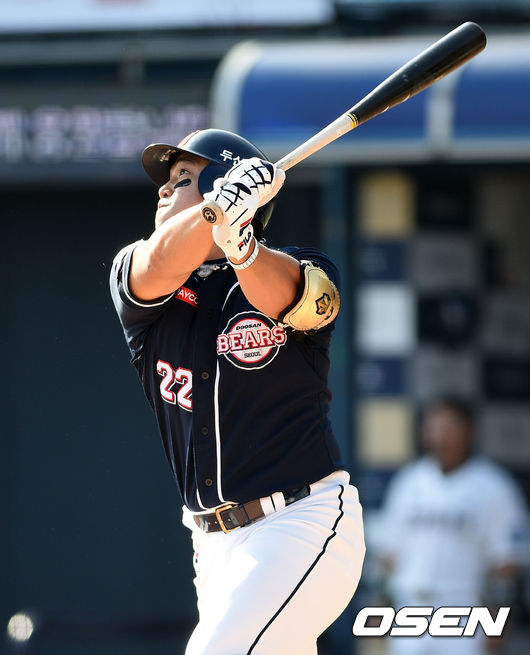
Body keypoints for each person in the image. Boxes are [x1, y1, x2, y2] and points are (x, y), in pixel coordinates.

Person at [109, 128, 365, 655]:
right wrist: (214, 209)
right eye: (168, 179)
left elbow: (301, 299)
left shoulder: (297, 263)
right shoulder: (136, 271)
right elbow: (157, 265)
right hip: (212, 548)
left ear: (230, 183)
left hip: (301, 521)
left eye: (184, 176)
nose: (165, 187)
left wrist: (242, 247)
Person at [375, 396, 529, 655]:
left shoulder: (494, 486)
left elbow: (507, 563)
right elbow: (389, 555)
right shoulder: (408, 482)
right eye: (433, 427)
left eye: (449, 428)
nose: (440, 437)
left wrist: (499, 621)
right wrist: (381, 605)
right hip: (410, 608)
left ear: (469, 431)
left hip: (465, 611)